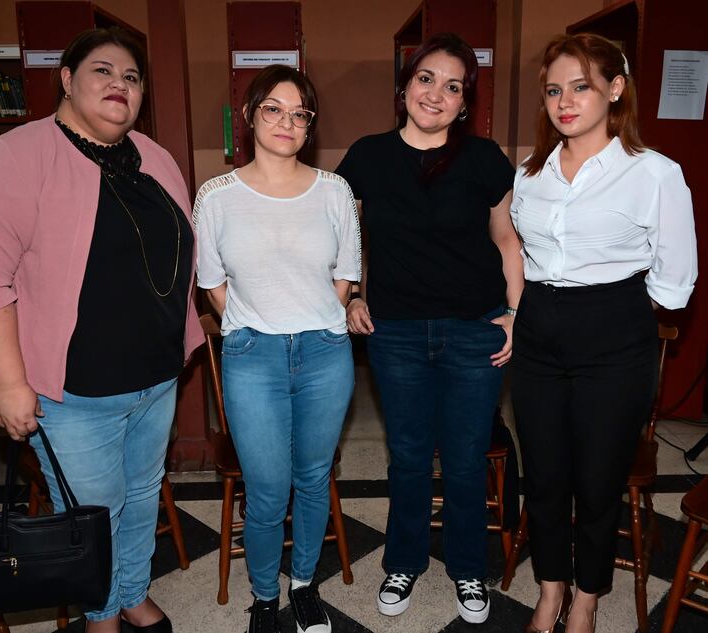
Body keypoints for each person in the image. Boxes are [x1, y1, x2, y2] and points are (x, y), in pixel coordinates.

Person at [0, 27, 203, 633]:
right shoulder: (16, 155)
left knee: (142, 498)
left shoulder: (155, 157)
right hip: (74, 394)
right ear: (66, 78)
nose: (120, 84)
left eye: (132, 77)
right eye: (103, 71)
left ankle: (132, 590)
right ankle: (102, 615)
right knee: (93, 515)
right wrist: (9, 387)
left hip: (155, 379)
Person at [510, 33, 697, 633]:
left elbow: (676, 281)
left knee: (596, 481)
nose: (565, 101)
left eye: (581, 86)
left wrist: (616, 310)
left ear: (615, 89)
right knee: (542, 474)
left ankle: (586, 598)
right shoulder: (530, 173)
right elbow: (517, 250)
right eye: (554, 90)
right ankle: (549, 589)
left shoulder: (654, 174)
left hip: (614, 337)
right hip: (539, 332)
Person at [336, 33, 522, 624]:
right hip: (396, 334)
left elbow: (507, 239)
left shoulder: (486, 158)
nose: (436, 94)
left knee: (466, 460)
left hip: (475, 330)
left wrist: (518, 312)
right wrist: (354, 294)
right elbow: (345, 238)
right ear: (405, 87)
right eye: (426, 79)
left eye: (452, 86)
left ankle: (468, 568)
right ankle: (404, 561)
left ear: (464, 102)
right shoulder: (366, 156)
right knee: (410, 456)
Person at [194, 65, 360, 633]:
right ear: (249, 115)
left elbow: (344, 278)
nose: (286, 122)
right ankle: (265, 598)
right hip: (252, 357)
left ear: (309, 125)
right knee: (266, 490)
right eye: (273, 109)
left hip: (324, 354)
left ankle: (304, 586)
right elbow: (213, 285)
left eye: (299, 113)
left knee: (313, 479)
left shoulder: (335, 191)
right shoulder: (216, 196)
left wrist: (309, 319)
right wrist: (253, 324)